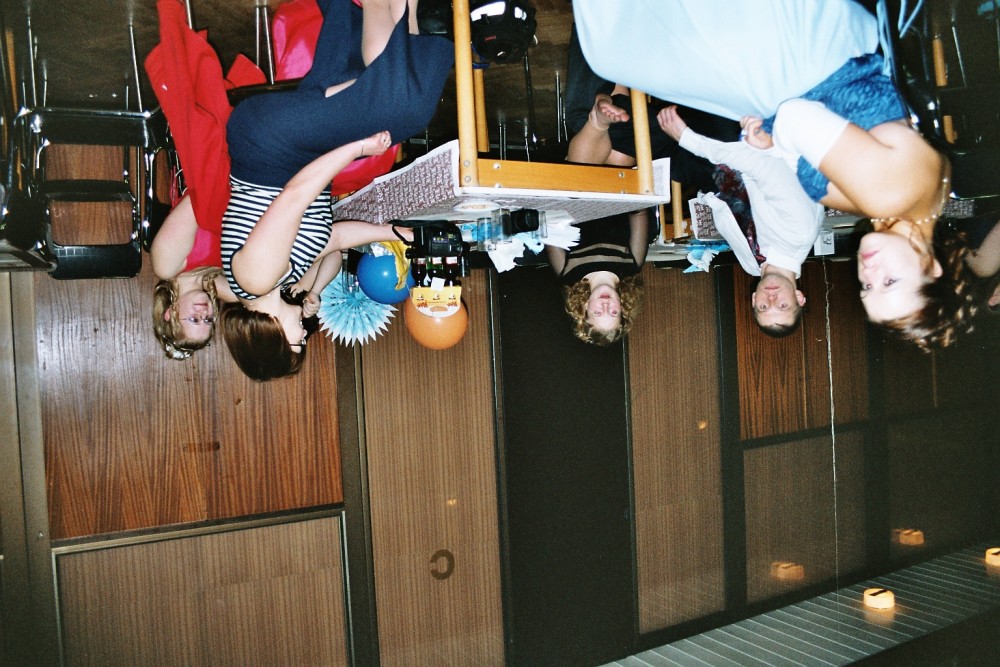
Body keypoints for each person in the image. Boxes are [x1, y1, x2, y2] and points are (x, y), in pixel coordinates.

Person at [218, 0, 453, 380]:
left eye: (296, 344)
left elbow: (295, 195)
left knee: (400, 109)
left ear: (270, 341)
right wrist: (397, 233)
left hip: (268, 142)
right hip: (295, 152)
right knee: (379, 95)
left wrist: (357, 149)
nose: (303, 337)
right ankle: (395, 11)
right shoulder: (278, 284)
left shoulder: (256, 279)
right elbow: (336, 238)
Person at [657, 105, 824, 337]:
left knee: (631, 138)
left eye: (764, 307)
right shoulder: (799, 233)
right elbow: (762, 164)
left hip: (712, 174)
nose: (771, 298)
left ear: (754, 299)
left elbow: (730, 209)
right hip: (747, 144)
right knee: (660, 125)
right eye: (783, 305)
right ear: (799, 297)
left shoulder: (751, 266)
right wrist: (690, 140)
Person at [859, 216, 1000, 348]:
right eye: (889, 282)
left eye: (867, 286)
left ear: (994, 300)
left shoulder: (983, 267)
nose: (867, 272)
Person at [150, 195, 238, 359]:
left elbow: (197, 199)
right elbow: (251, 294)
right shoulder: (209, 281)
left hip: (210, 185)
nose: (204, 312)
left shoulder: (166, 266)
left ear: (171, 313)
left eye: (194, 319)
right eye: (209, 320)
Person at [545, 211, 651, 346]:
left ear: (585, 309)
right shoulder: (632, 266)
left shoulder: (566, 272)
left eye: (598, 312)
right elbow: (639, 212)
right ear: (622, 308)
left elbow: (550, 220)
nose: (605, 305)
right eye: (613, 312)